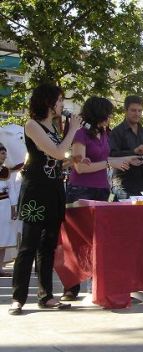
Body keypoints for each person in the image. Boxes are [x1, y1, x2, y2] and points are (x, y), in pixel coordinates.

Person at [9, 83, 83, 315]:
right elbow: (57, 151)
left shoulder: (53, 127)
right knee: (28, 246)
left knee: (48, 246)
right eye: (59, 100)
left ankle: (46, 295)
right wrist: (72, 130)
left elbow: (56, 159)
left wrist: (72, 161)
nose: (62, 104)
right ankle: (18, 298)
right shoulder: (32, 125)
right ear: (48, 102)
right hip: (36, 191)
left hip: (54, 190)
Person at [61, 96, 140, 301]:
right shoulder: (80, 133)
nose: (110, 117)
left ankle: (100, 284)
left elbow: (106, 159)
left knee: (100, 240)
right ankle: (71, 287)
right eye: (107, 113)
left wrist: (127, 159)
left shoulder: (104, 132)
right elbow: (80, 167)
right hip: (80, 190)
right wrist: (109, 163)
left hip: (102, 190)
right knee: (77, 240)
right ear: (98, 114)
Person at [109, 95, 143, 198]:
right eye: (133, 110)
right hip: (122, 184)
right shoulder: (116, 132)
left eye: (140, 111)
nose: (137, 114)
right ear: (125, 111)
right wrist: (134, 151)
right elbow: (112, 156)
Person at [0, 143, 17, 277]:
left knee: (3, 238)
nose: (5, 156)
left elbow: (11, 190)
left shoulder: (6, 171)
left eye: (5, 153)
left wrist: (13, 208)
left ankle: (0, 268)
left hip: (4, 206)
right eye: (2, 153)